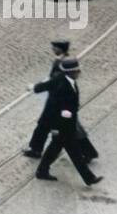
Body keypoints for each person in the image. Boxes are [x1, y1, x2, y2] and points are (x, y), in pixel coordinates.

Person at [34, 57, 102, 186]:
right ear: (70, 72)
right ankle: (89, 178)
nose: (78, 73)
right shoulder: (62, 84)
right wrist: (64, 112)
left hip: (67, 125)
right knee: (72, 152)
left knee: (56, 149)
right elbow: (54, 105)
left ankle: (42, 171)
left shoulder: (66, 80)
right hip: (61, 126)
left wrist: (36, 88)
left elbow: (46, 85)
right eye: (76, 71)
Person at [24, 39, 72, 159]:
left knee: (45, 125)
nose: (53, 49)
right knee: (48, 125)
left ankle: (36, 149)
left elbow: (53, 82)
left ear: (60, 48)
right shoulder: (65, 60)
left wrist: (35, 88)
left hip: (56, 101)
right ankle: (36, 148)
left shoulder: (60, 63)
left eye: (54, 47)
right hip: (59, 100)